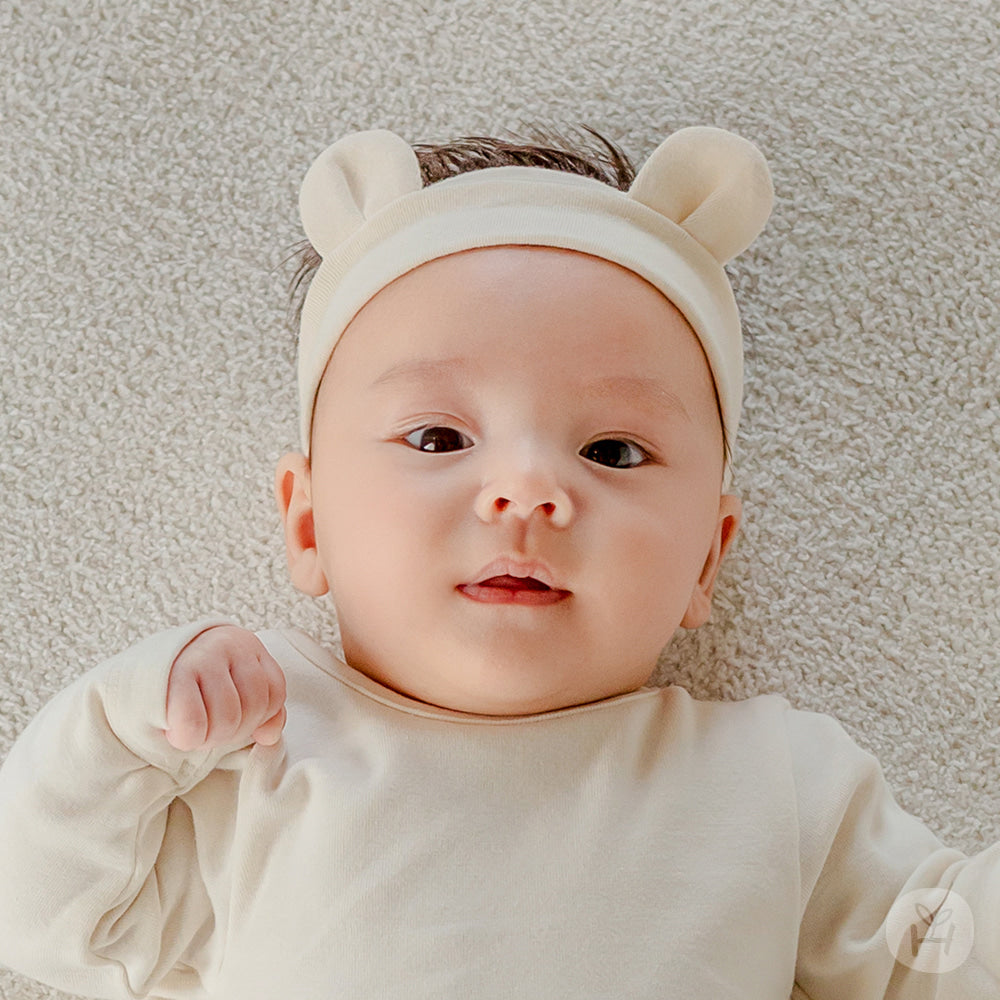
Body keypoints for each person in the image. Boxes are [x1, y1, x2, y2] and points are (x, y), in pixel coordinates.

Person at [0, 123, 995, 1000]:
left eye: (610, 450)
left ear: (706, 558)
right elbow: (43, 912)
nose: (526, 491)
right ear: (307, 525)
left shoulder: (776, 785)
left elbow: (939, 953)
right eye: (437, 438)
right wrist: (125, 731)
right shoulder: (256, 751)